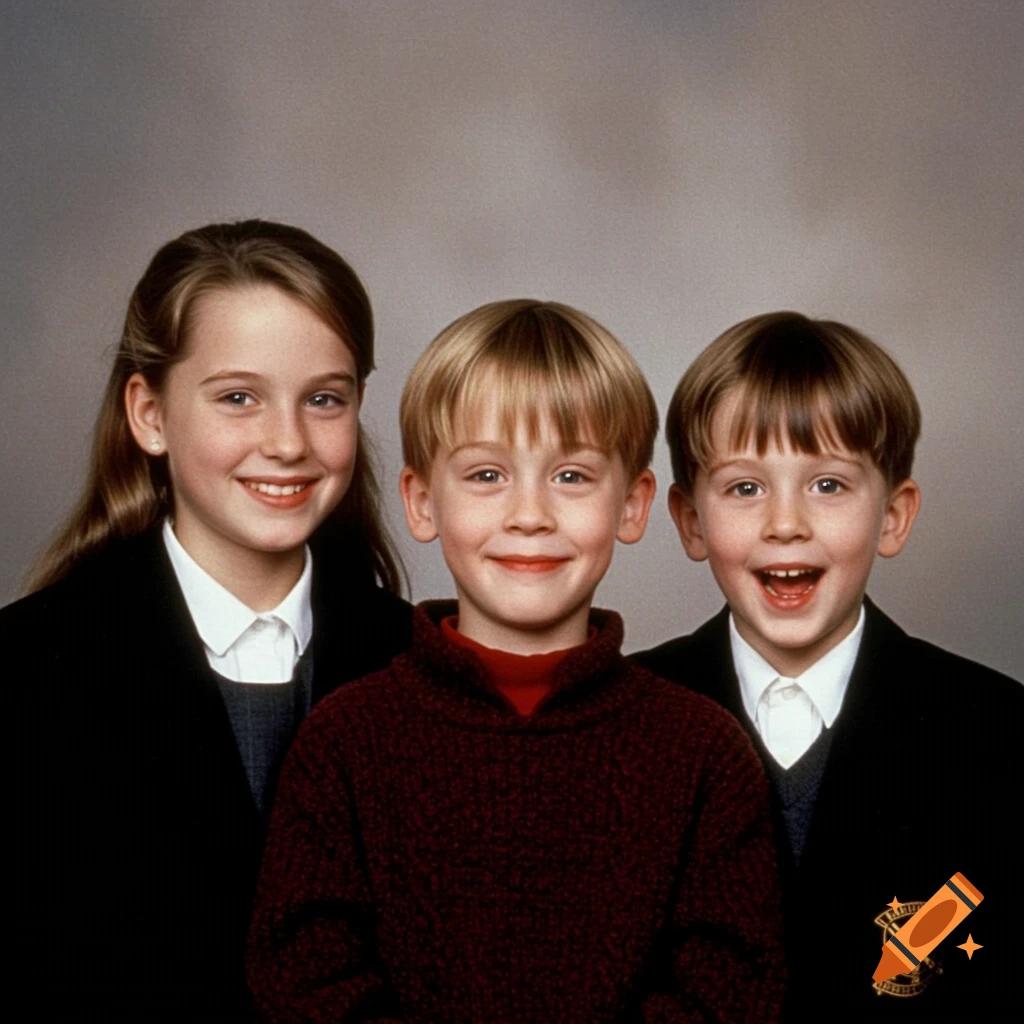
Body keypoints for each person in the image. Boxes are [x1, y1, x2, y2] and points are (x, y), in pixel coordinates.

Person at [247, 299, 785, 1023]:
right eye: (486, 476)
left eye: (570, 477)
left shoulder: (703, 752)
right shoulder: (345, 740)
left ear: (633, 504)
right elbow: (305, 971)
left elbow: (728, 985)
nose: (529, 514)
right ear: (420, 501)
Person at [5, 220, 413, 1021]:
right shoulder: (26, 672)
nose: (288, 441)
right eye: (238, 398)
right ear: (149, 415)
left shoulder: (423, 665)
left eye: (324, 399)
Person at [632, 312, 1023, 1022]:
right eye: (745, 488)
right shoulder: (624, 723)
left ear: (895, 516)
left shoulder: (999, 732)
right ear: (690, 521)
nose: (787, 523)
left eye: (829, 486)